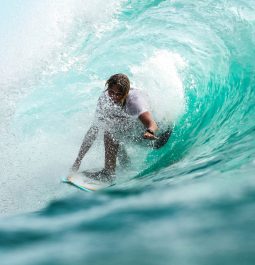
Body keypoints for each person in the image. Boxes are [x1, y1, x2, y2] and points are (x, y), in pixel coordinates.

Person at [71, 73, 159, 181]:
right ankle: (126, 165)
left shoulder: (135, 101)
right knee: (110, 124)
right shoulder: (104, 99)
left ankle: (108, 174)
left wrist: (150, 132)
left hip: (156, 139)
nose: (114, 97)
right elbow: (94, 130)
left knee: (111, 131)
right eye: (111, 92)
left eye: (119, 94)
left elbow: (152, 123)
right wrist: (78, 160)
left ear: (126, 93)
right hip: (138, 135)